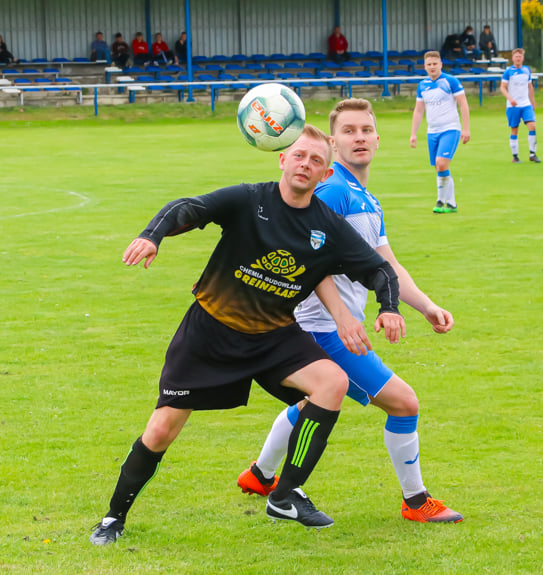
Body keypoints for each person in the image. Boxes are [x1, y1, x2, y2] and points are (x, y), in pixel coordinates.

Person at [88, 124, 406, 546]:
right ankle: (113, 517)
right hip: (210, 332)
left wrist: (388, 308)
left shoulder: (327, 225)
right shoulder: (249, 199)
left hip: (273, 334)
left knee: (332, 382)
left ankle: (285, 493)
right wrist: (153, 236)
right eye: (299, 156)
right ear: (281, 159)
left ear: (326, 174)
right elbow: (188, 207)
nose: (306, 165)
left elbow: (378, 269)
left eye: (316, 161)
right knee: (162, 429)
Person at [237, 98, 463, 523]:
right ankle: (416, 502)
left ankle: (260, 475)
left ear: (378, 138)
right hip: (320, 328)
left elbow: (387, 265)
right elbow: (308, 259)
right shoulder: (332, 191)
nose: (358, 137)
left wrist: (425, 305)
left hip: (327, 328)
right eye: (348, 131)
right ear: (334, 142)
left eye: (365, 130)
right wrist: (342, 316)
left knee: (312, 402)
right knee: (403, 403)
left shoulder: (365, 198)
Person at [410, 51, 471, 214]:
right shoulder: (422, 85)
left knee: (442, 162)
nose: (432, 67)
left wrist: (466, 128)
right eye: (429, 64)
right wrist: (413, 133)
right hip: (432, 131)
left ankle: (440, 200)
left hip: (450, 128)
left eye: (434, 64)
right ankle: (451, 204)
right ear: (425, 66)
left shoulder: (450, 81)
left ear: (440, 64)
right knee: (439, 166)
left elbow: (463, 104)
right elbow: (418, 110)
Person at [500, 48, 540, 164]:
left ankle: (532, 153)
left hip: (525, 104)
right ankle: (515, 156)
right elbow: (502, 87)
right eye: (516, 56)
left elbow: (530, 86)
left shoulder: (526, 70)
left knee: (532, 126)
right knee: (514, 130)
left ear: (523, 58)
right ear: (513, 58)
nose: (518, 58)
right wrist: (510, 99)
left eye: (520, 56)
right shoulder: (508, 71)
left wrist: (532, 101)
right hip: (513, 106)